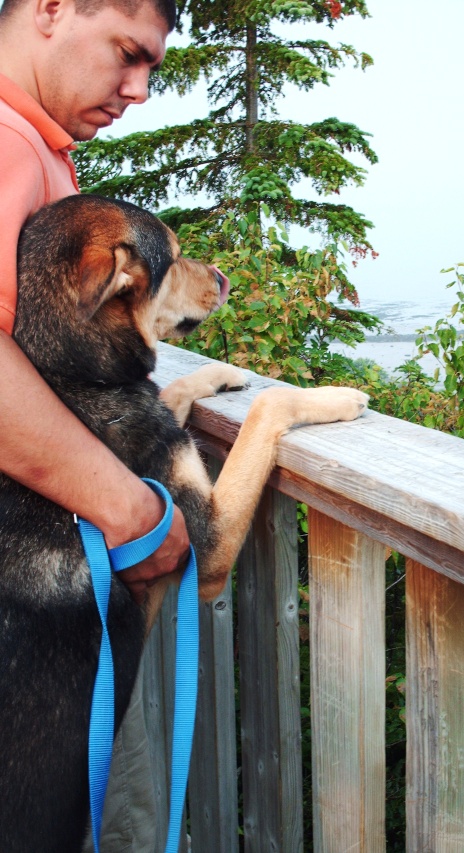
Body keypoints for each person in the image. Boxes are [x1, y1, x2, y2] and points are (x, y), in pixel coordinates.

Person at [0, 0, 225, 847]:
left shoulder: (38, 147)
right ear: (53, 9)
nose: (137, 90)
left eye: (153, 69)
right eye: (128, 53)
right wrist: (133, 509)